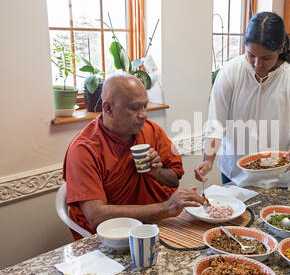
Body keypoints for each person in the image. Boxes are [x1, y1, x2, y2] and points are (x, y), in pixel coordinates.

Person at [63, 74, 206, 240]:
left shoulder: (152, 130)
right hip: (112, 238)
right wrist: (165, 208)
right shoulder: (84, 149)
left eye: (145, 106)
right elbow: (96, 216)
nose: (144, 115)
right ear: (108, 108)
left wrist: (156, 173)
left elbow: (174, 180)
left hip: (156, 227)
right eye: (134, 108)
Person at [195, 11, 290, 189]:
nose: (257, 64)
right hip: (234, 173)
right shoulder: (230, 71)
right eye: (251, 55)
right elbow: (216, 123)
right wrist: (208, 160)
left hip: (276, 175)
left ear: (281, 48)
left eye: (266, 58)